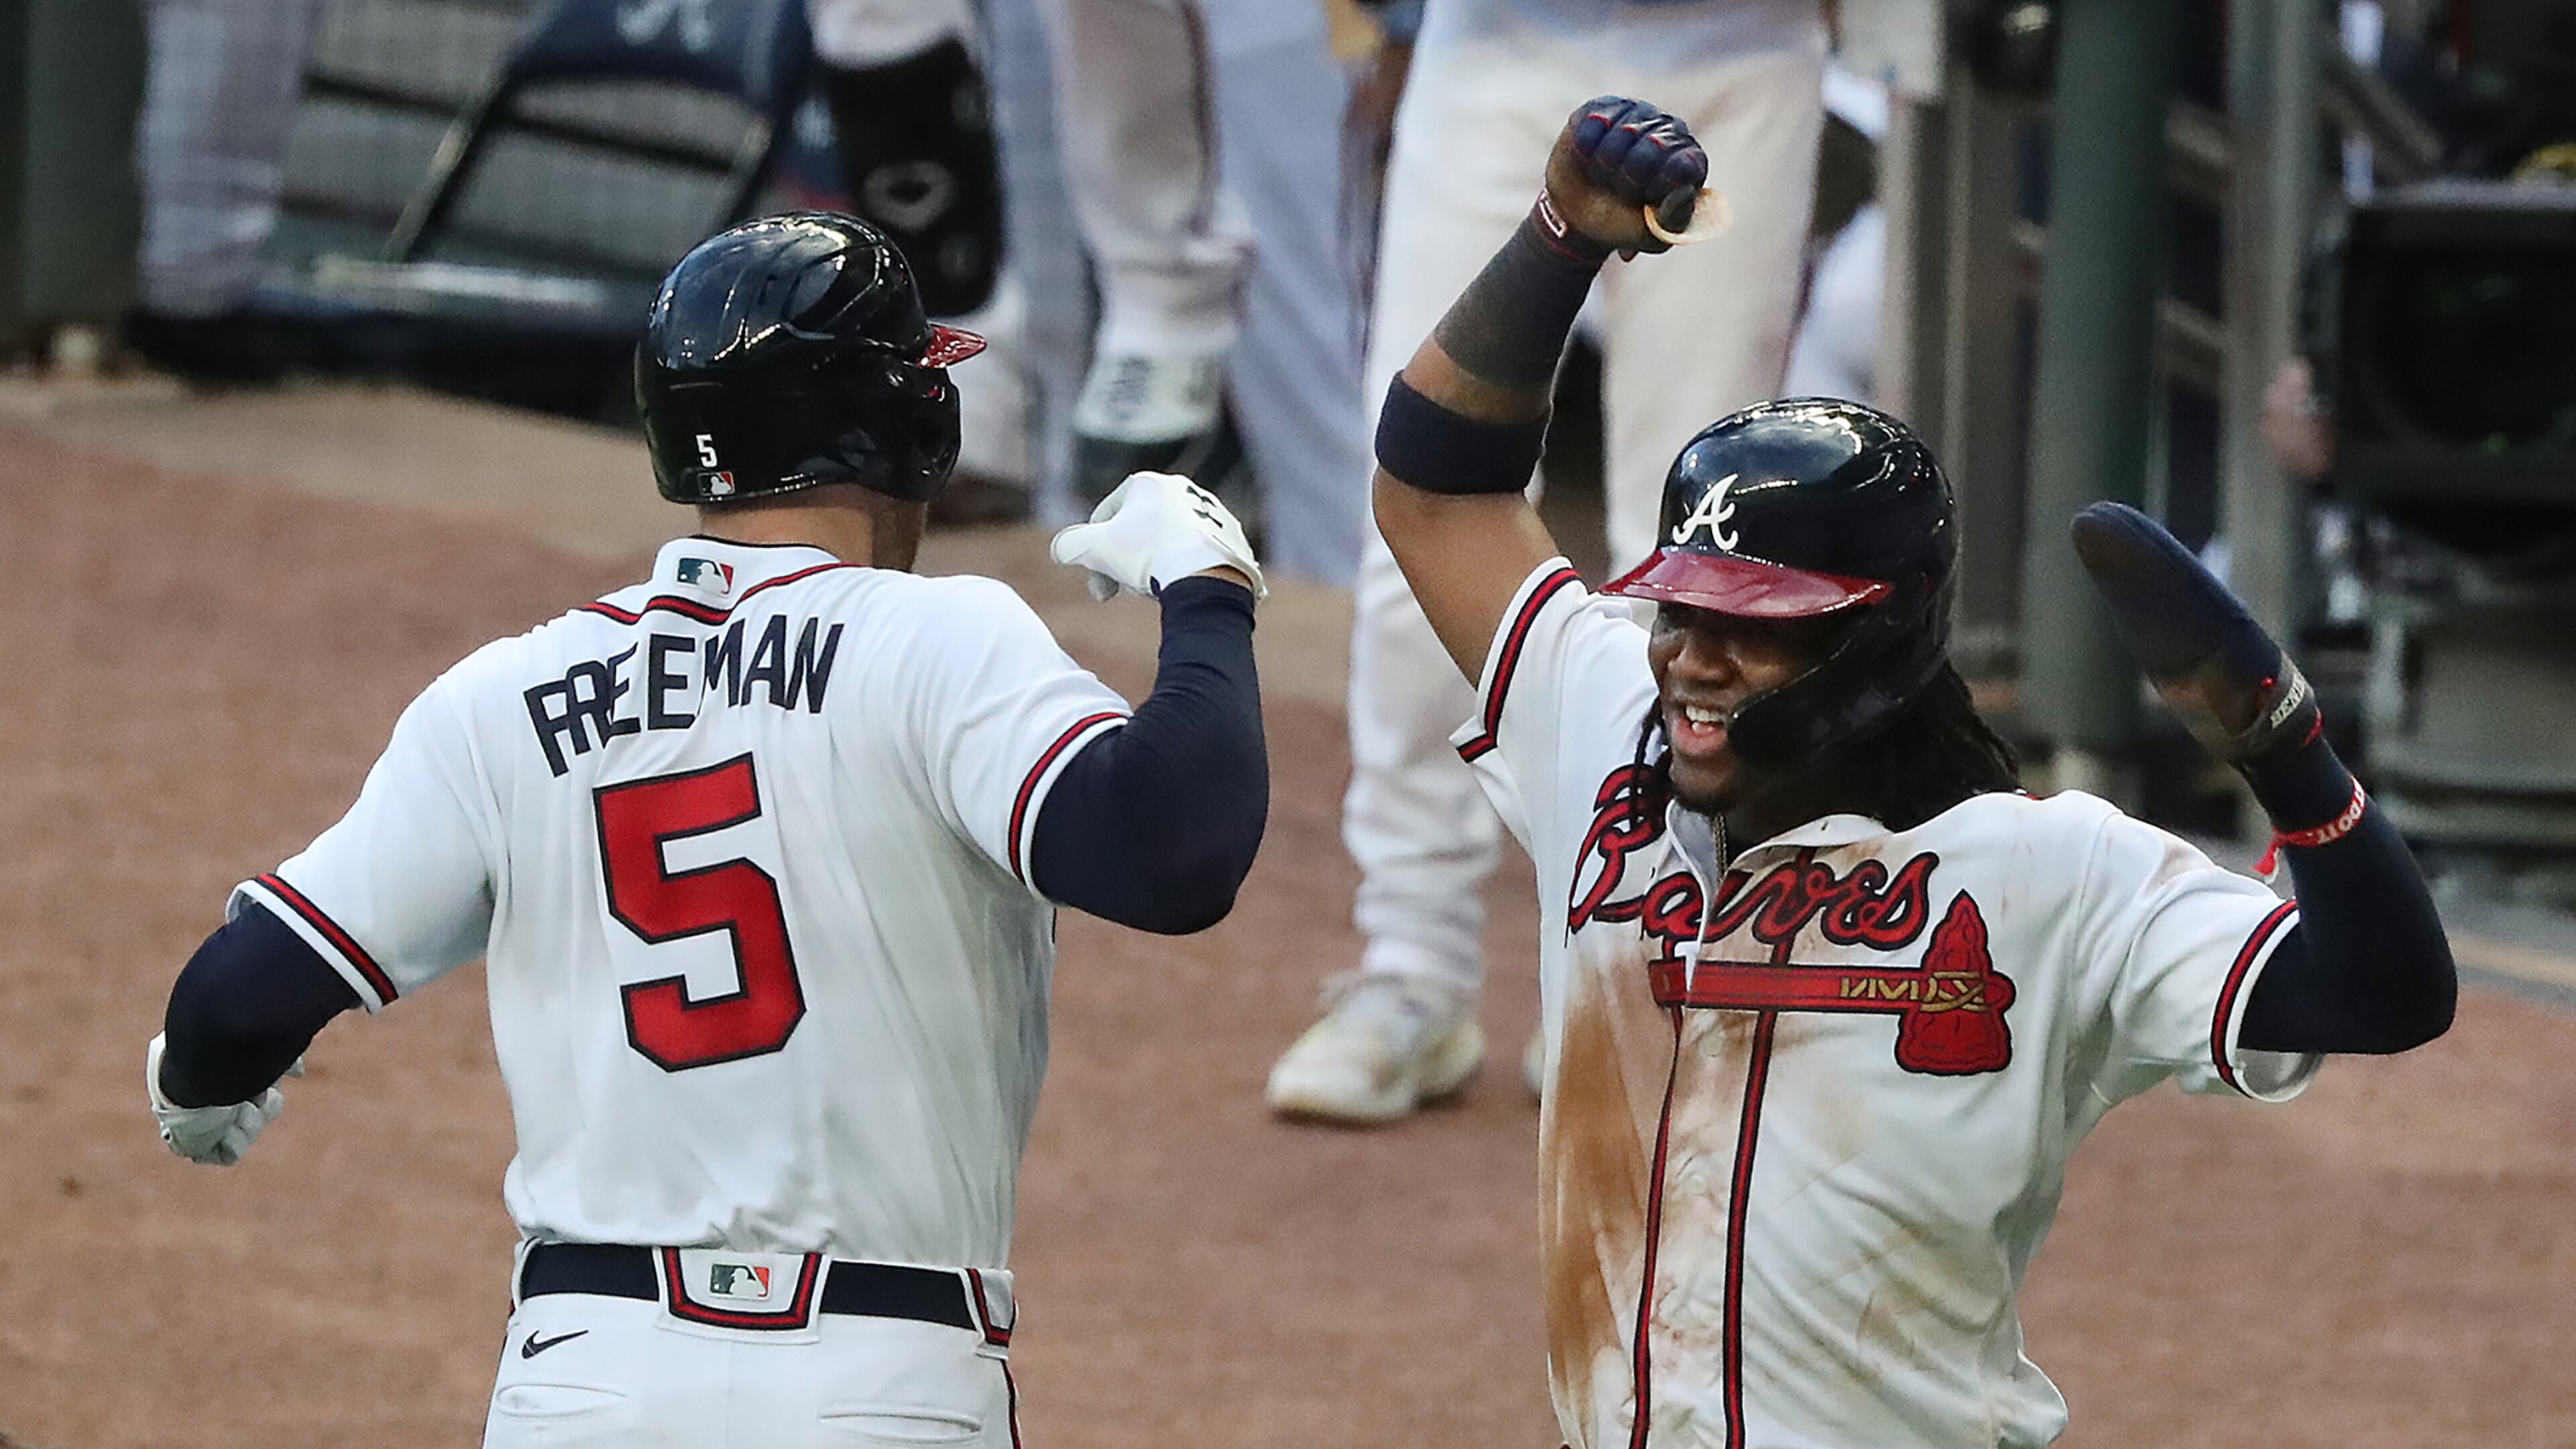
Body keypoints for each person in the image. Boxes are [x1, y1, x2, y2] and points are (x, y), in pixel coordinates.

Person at [1367, 97, 2455, 1445]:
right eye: (1681, 615)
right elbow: (1436, 488)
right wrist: (1556, 245)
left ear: (1882, 633)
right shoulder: (1603, 731)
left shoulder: (2056, 874)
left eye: (1757, 631)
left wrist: (2282, 747)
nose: (1694, 664)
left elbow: (2385, 989)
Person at [142, 213, 1270, 1448]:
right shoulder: (940, 643)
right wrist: (1207, 592)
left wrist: (196, 1083)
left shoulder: (501, 696)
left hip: (581, 1389)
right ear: (906, 425)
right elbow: (1177, 850)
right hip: (883, 1387)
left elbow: (233, 1000)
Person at [1268, 0, 1828, 1122]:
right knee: (1415, 524)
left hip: (1740, 47)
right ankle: (1411, 964)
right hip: (1498, 42)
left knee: (1699, 550)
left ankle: (1645, 966)